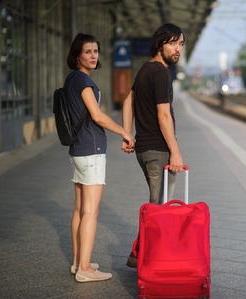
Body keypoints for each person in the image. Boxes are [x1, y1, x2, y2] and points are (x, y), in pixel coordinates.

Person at [65, 33, 135, 282]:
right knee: (90, 213)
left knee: (79, 209)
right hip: (91, 150)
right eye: (88, 52)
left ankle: (77, 262)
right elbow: (97, 116)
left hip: (77, 151)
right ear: (77, 55)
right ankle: (85, 268)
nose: (93, 56)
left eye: (96, 51)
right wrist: (125, 132)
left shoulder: (72, 80)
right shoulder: (83, 81)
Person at [121, 23, 185, 268]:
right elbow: (164, 116)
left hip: (145, 149)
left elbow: (128, 100)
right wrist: (175, 151)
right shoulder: (160, 73)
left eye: (180, 44)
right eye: (172, 43)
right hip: (158, 151)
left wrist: (129, 134)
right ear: (160, 44)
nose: (177, 48)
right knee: (159, 207)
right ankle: (145, 257)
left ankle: (141, 254)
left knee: (158, 205)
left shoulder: (145, 70)